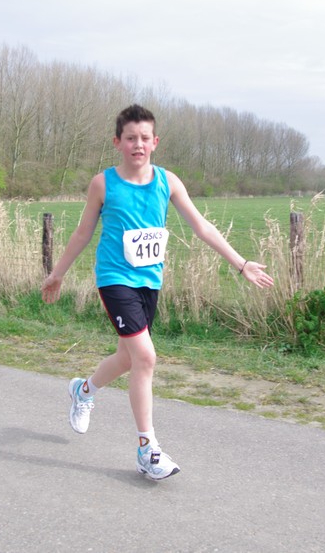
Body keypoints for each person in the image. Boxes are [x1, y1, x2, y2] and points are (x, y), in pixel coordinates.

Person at [41, 104, 274, 480]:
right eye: (130, 138)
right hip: (114, 279)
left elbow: (201, 226)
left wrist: (240, 262)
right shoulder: (103, 184)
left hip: (149, 282)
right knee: (146, 357)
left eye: (144, 138)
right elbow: (83, 233)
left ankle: (83, 390)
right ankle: (147, 450)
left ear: (155, 142)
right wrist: (57, 275)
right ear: (117, 142)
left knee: (128, 358)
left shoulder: (168, 181)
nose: (138, 144)